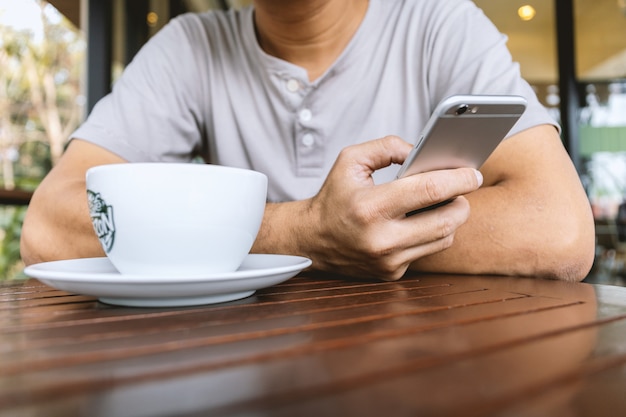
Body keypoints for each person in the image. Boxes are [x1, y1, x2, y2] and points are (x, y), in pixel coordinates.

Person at [20, 0, 595, 281]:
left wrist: (350, 237)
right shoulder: (191, 47)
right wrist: (306, 232)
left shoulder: (437, 20)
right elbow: (48, 229)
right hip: (248, 366)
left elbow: (557, 229)